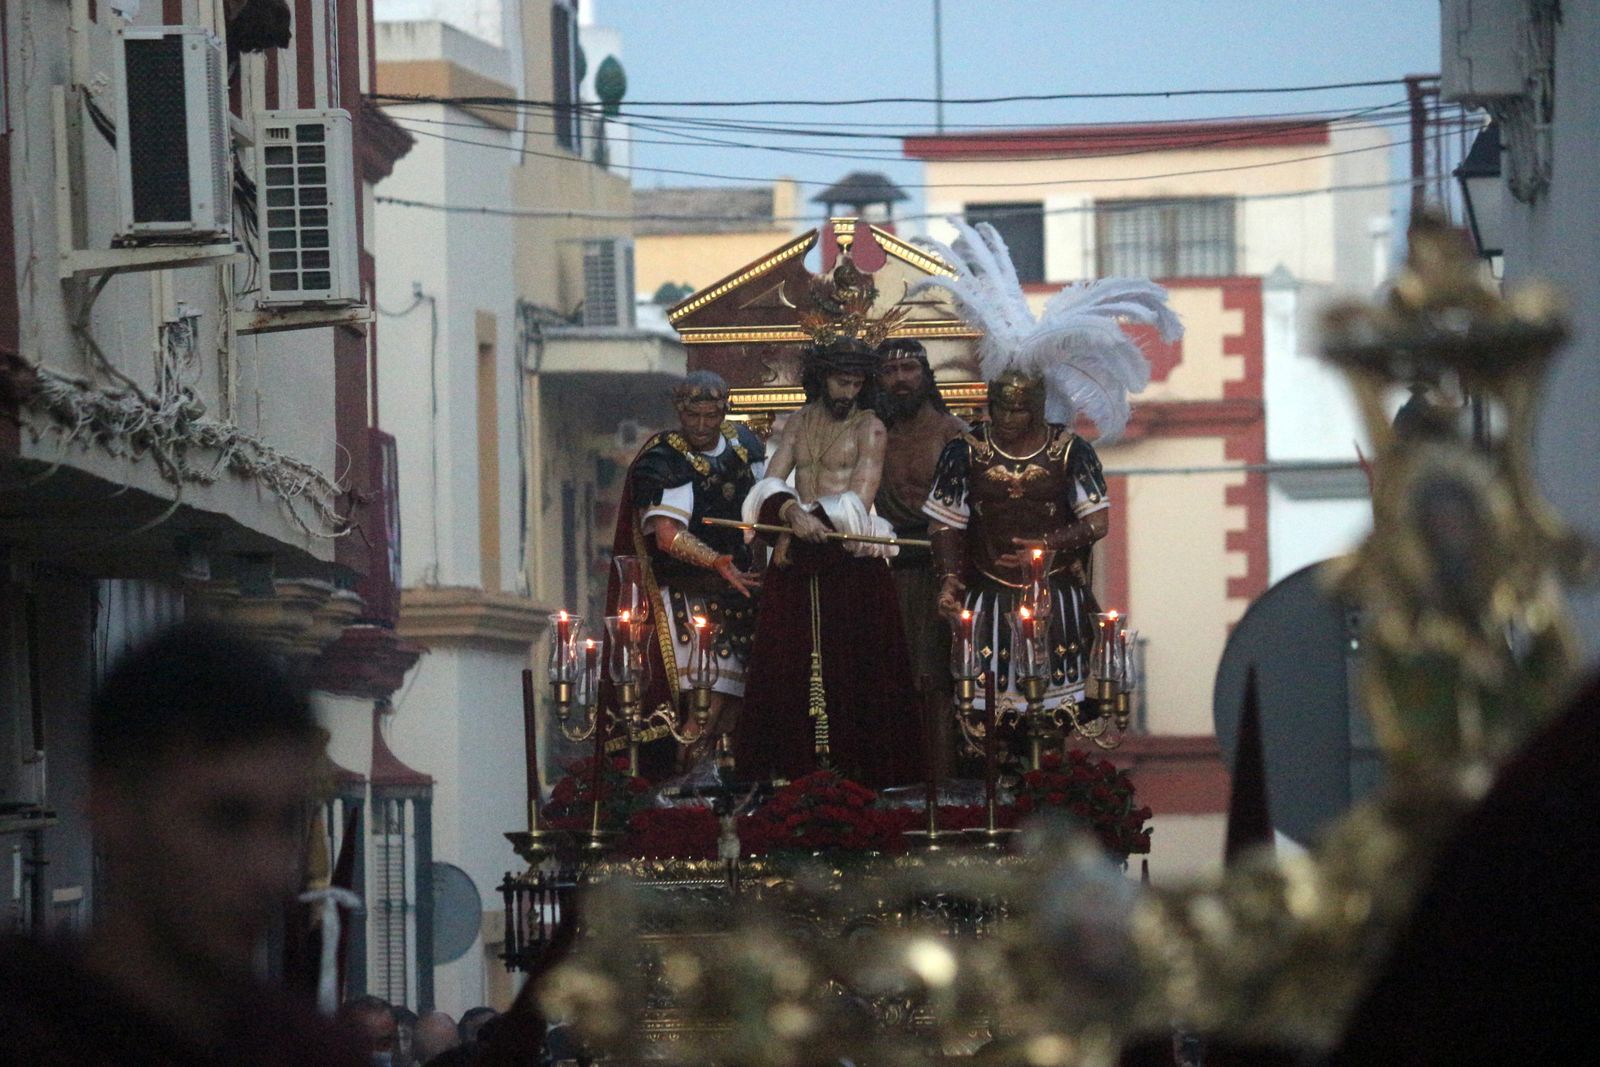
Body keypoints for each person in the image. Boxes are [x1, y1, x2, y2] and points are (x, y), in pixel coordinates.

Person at [0, 621, 368, 1066]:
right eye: (227, 818)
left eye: (287, 823)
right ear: (111, 805)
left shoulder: (307, 1054)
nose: (270, 870)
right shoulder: (24, 1026)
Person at [736, 331, 923, 787]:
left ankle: (859, 776)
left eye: (857, 384)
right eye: (841, 382)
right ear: (822, 378)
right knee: (788, 668)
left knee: (856, 672)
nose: (848, 393)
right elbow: (769, 482)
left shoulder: (870, 428)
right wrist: (788, 514)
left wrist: (801, 526)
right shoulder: (798, 423)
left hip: (848, 561)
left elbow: (859, 500)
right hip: (796, 559)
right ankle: (791, 772)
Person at [606, 370, 766, 774]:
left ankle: (715, 791)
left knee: (731, 714)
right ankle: (685, 789)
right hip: (687, 598)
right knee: (701, 715)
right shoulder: (664, 459)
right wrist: (715, 561)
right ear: (679, 412)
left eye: (710, 415)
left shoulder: (744, 445)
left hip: (739, 595)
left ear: (723, 411)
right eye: (692, 415)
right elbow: (667, 535)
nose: (700, 425)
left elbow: (764, 504)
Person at [926, 370, 1112, 713]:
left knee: (1058, 713)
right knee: (987, 715)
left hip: (1055, 595)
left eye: (1019, 410)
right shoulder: (963, 451)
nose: (1008, 418)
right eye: (1001, 408)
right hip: (987, 593)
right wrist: (948, 578)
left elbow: (1097, 522)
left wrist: (1044, 545)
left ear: (1037, 409)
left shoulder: (1071, 451)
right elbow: (944, 523)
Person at [875, 338, 969, 756]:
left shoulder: (953, 432)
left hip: (943, 570)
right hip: (890, 569)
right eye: (890, 371)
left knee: (939, 682)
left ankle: (942, 775)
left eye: (909, 369)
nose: (901, 379)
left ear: (926, 375)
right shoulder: (874, 435)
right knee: (894, 681)